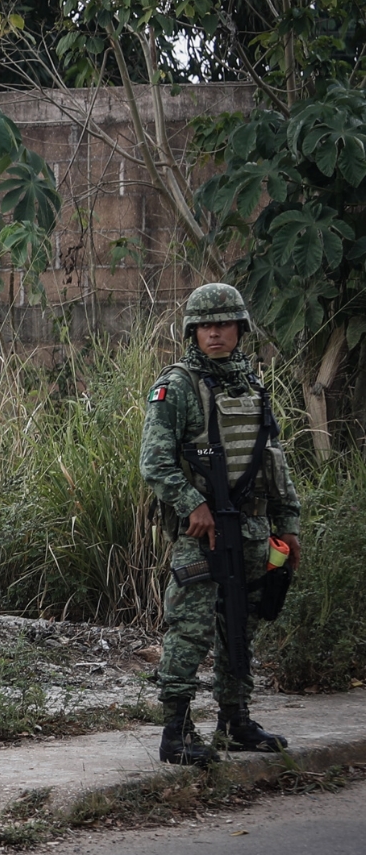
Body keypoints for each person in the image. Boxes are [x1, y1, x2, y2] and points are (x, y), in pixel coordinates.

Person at [139, 282, 300, 766]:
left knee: (240, 628)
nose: (215, 333)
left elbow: (272, 460)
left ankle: (235, 720)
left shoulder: (250, 382)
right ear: (193, 331)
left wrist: (287, 521)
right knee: (189, 631)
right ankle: (176, 731)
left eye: (224, 324)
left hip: (250, 529)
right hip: (201, 533)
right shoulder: (179, 385)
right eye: (206, 325)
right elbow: (154, 461)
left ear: (239, 329)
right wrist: (194, 504)